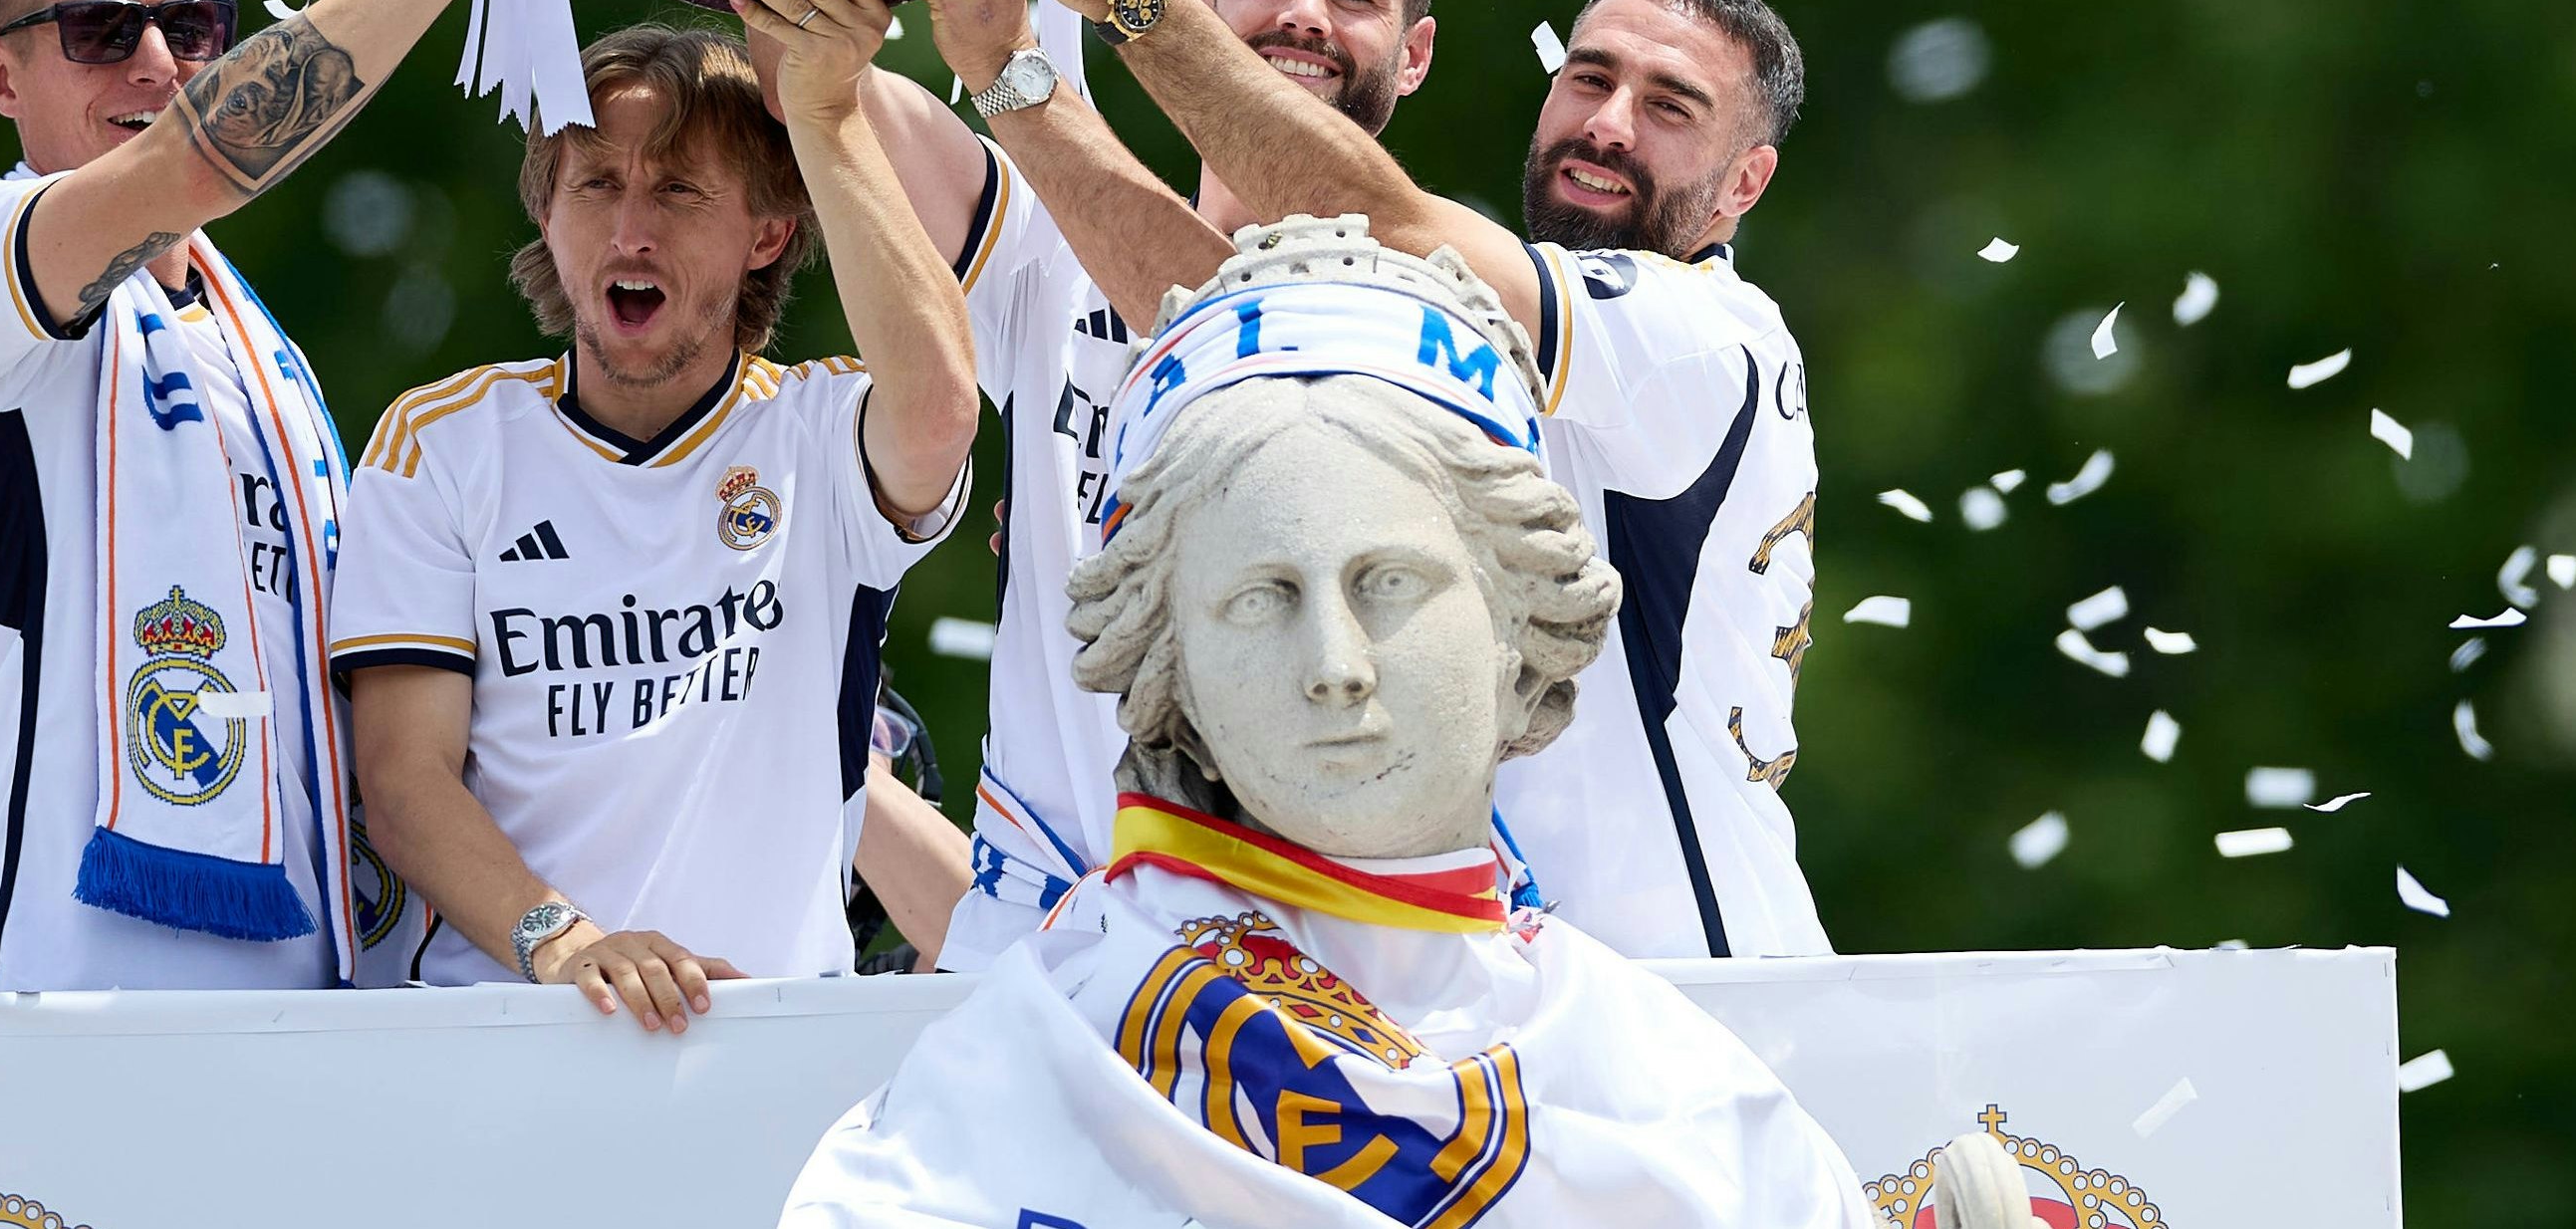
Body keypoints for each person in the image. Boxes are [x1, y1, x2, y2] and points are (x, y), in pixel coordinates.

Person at [783, 226, 1890, 1229]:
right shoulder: (979, 1112)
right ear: (1171, 664)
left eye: (1391, 583)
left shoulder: (1702, 1119)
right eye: (1259, 598)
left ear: (1518, 616)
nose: (1333, 668)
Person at [921, 0, 1830, 960]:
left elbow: (1383, 228)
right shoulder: (1503, 306)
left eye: (1668, 107)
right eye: (1589, 77)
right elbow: (1227, 306)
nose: (1606, 124)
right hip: (1502, 997)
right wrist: (1008, 78)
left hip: (1689, 993)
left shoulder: (1700, 335)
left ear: (1745, 183)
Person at [0, 0, 628, 992]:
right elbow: (198, 161)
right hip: (69, 1005)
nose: (162, 65)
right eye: (102, 32)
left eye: (195, 26)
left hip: (318, 1009)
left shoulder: (254, 346)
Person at [740, 0, 1453, 971]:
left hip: (1328, 963)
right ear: (1210, 6)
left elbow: (1239, 329)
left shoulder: (1442, 304)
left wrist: (1013, 69)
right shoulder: (1048, 239)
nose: (1305, 13)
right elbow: (810, 84)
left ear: (1413, 54)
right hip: (1046, 940)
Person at [334, 0, 977, 1032]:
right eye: (594, 184)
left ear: (767, 233)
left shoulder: (820, 431)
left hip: (769, 1046)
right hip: (500, 1039)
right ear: (546, 212)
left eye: (679, 190)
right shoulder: (443, 441)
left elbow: (943, 412)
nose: (631, 230)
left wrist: (822, 113)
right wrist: (573, 948)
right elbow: (403, 781)